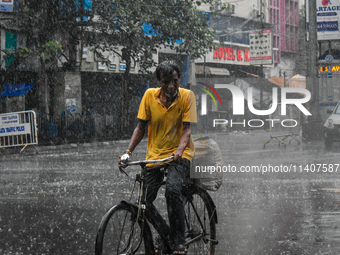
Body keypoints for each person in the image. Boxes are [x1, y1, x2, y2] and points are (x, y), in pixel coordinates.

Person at [119, 60, 197, 255]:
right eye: (166, 82)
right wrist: (128, 153)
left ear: (179, 79)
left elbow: (187, 130)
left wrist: (179, 150)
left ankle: (178, 243)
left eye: (175, 81)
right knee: (144, 202)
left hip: (180, 155)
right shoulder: (148, 96)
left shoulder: (187, 96)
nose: (171, 86)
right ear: (159, 82)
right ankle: (167, 233)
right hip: (155, 156)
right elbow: (140, 127)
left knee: (172, 190)